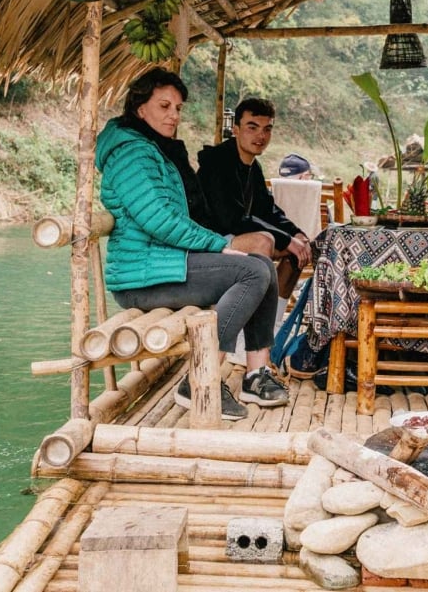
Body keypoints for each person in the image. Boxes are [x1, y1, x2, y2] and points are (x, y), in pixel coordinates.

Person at [96, 69, 290, 420]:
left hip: (166, 264)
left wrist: (217, 245)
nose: (174, 115)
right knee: (250, 271)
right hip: (142, 277)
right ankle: (200, 378)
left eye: (179, 108)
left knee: (260, 263)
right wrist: (216, 244)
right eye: (164, 106)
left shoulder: (155, 149)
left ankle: (255, 374)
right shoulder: (130, 154)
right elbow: (158, 220)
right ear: (140, 109)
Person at [196, 98, 312, 298]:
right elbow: (232, 219)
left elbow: (268, 210)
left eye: (267, 129)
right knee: (263, 241)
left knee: (299, 250)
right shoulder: (217, 162)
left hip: (232, 239)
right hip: (207, 244)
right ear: (236, 129)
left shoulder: (253, 167)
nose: (261, 135)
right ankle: (246, 317)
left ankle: (274, 322)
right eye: (252, 127)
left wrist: (296, 234)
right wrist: (286, 239)